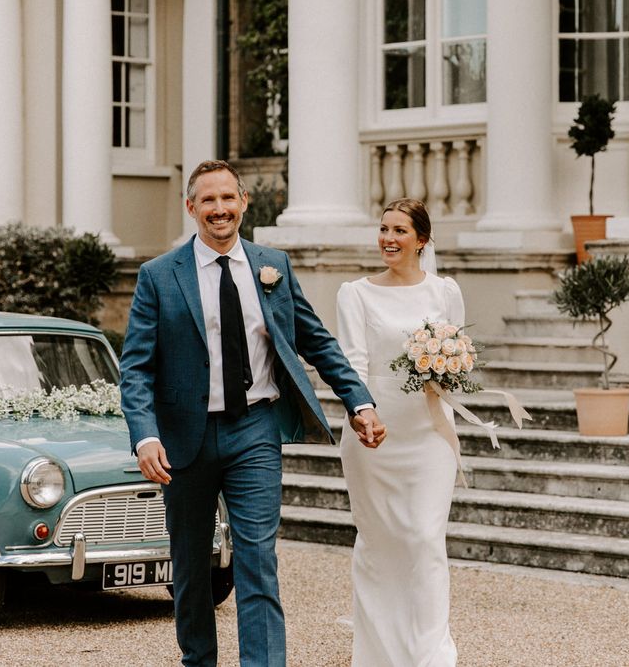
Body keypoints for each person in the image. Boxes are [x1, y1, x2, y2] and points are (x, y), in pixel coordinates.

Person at [119, 159, 386, 667]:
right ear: (191, 207)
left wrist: (360, 401)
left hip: (255, 431)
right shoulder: (158, 276)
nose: (219, 209)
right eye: (208, 200)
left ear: (244, 202)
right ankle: (198, 660)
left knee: (259, 560)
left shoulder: (273, 266)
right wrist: (145, 435)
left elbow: (316, 340)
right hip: (184, 441)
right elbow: (135, 367)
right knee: (193, 567)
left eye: (228, 198)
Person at [337, 198, 461, 666]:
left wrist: (448, 369)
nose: (388, 238)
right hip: (374, 430)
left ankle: (431, 654)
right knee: (380, 541)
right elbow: (355, 362)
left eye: (400, 231)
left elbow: (458, 354)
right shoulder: (356, 292)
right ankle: (379, 652)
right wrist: (361, 413)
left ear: (422, 240)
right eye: (383, 228)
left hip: (429, 432)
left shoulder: (445, 290)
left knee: (425, 539)